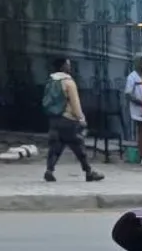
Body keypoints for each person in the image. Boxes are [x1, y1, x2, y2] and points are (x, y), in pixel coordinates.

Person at [40, 57, 104, 185]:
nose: (70, 67)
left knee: (55, 146)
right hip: (68, 119)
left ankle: (49, 170)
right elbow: (75, 103)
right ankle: (89, 172)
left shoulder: (50, 80)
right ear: (63, 67)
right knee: (78, 146)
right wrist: (81, 118)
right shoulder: (69, 82)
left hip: (54, 119)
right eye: (68, 65)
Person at [123, 58, 142, 161]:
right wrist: (141, 103)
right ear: (138, 65)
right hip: (138, 109)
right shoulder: (132, 77)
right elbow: (128, 94)